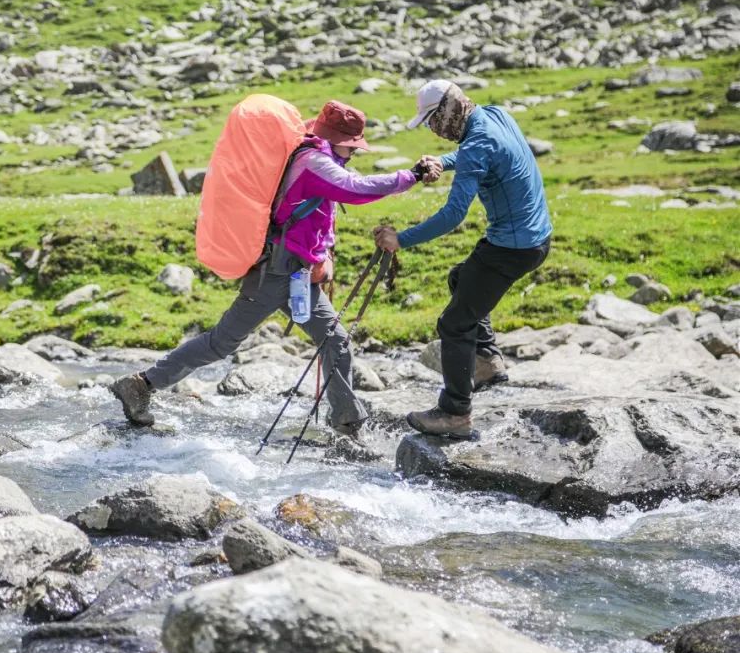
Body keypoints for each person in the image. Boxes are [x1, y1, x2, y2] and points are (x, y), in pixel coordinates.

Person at [111, 100, 439, 436]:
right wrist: (411, 175)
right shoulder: (314, 162)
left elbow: (343, 190)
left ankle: (347, 425)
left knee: (335, 340)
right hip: (277, 272)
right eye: (352, 145)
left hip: (296, 272)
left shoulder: (318, 155)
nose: (355, 152)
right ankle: (141, 385)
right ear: (335, 138)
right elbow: (355, 189)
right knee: (221, 343)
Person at [374, 80, 552, 440]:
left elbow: (452, 215)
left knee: (454, 324)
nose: (433, 130)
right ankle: (486, 362)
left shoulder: (475, 145)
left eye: (432, 121)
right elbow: (479, 152)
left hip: (511, 248)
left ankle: (455, 412)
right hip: (536, 239)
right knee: (462, 279)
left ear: (448, 112)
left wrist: (399, 240)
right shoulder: (495, 115)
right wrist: (443, 161)